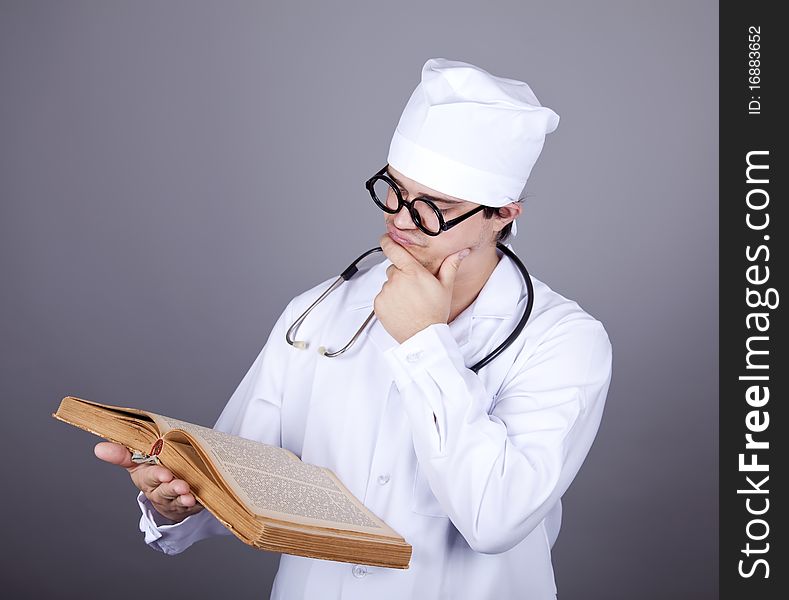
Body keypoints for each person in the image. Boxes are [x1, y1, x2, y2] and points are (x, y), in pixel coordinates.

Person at [95, 58, 612, 599]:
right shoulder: (319, 312)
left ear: (504, 214)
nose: (403, 219)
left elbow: (495, 519)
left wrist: (423, 343)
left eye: (437, 207)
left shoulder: (566, 340)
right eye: (395, 189)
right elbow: (241, 478)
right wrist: (175, 498)